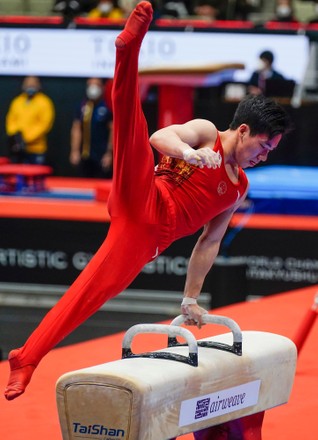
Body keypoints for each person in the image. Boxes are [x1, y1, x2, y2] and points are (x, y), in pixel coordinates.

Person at [4, 1, 291, 402]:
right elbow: (160, 139)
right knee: (131, 126)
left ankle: (26, 358)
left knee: (87, 295)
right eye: (263, 146)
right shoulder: (206, 132)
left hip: (148, 238)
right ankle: (128, 51)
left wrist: (191, 296)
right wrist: (191, 154)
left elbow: (208, 243)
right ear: (243, 130)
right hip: (145, 197)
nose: (264, 156)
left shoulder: (238, 187)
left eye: (271, 151)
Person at [70, 77, 113, 178]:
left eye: (96, 85)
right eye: (90, 85)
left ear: (102, 87)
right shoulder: (82, 106)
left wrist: (109, 154)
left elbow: (113, 131)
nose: (93, 88)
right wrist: (74, 151)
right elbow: (76, 129)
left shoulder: (107, 107)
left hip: (102, 156)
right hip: (85, 156)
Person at [5, 76, 55, 164]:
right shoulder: (17, 101)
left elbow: (44, 125)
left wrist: (25, 138)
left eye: (33, 83)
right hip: (17, 148)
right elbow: (10, 120)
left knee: (35, 174)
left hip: (36, 148)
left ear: (38, 85)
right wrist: (16, 136)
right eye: (28, 83)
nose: (30, 86)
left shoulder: (44, 102)